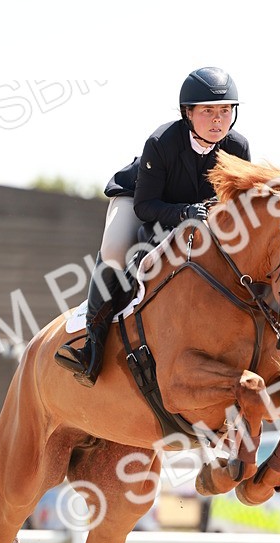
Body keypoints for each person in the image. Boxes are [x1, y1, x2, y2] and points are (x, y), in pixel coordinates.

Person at [55, 67, 251, 386]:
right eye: (208, 111)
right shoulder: (162, 142)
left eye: (226, 111)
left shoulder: (238, 148)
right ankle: (91, 343)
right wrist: (186, 211)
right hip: (142, 201)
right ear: (187, 113)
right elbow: (146, 208)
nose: (218, 120)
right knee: (116, 251)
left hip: (197, 218)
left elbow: (236, 207)